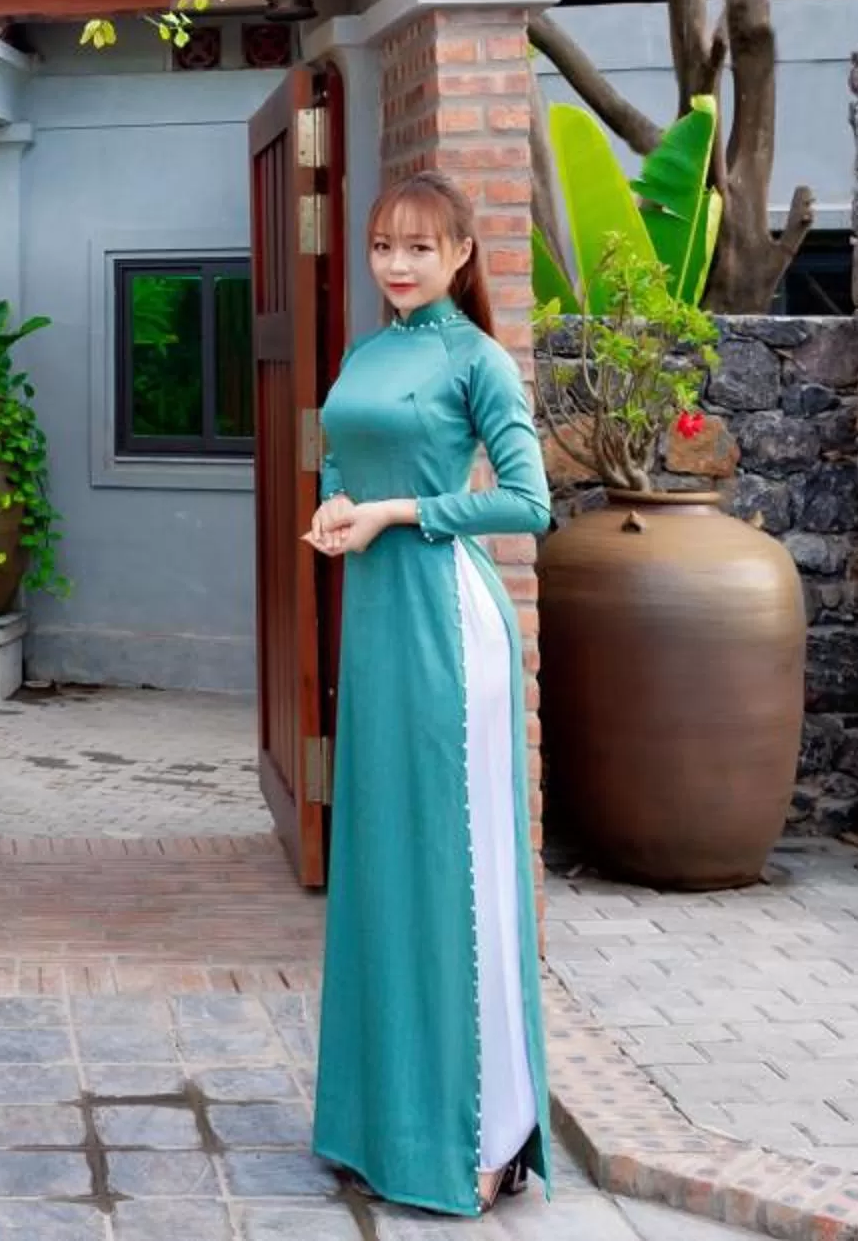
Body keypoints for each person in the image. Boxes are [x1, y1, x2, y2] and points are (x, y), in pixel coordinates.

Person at [303, 170, 552, 1218]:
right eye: (381, 246)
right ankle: (378, 1124)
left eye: (418, 247)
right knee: (382, 866)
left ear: (458, 255)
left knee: (456, 876)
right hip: (377, 627)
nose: (397, 263)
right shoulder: (368, 353)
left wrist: (398, 511)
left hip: (450, 629)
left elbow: (529, 500)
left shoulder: (475, 357)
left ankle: (478, 1138)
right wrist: (330, 510)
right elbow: (336, 459)